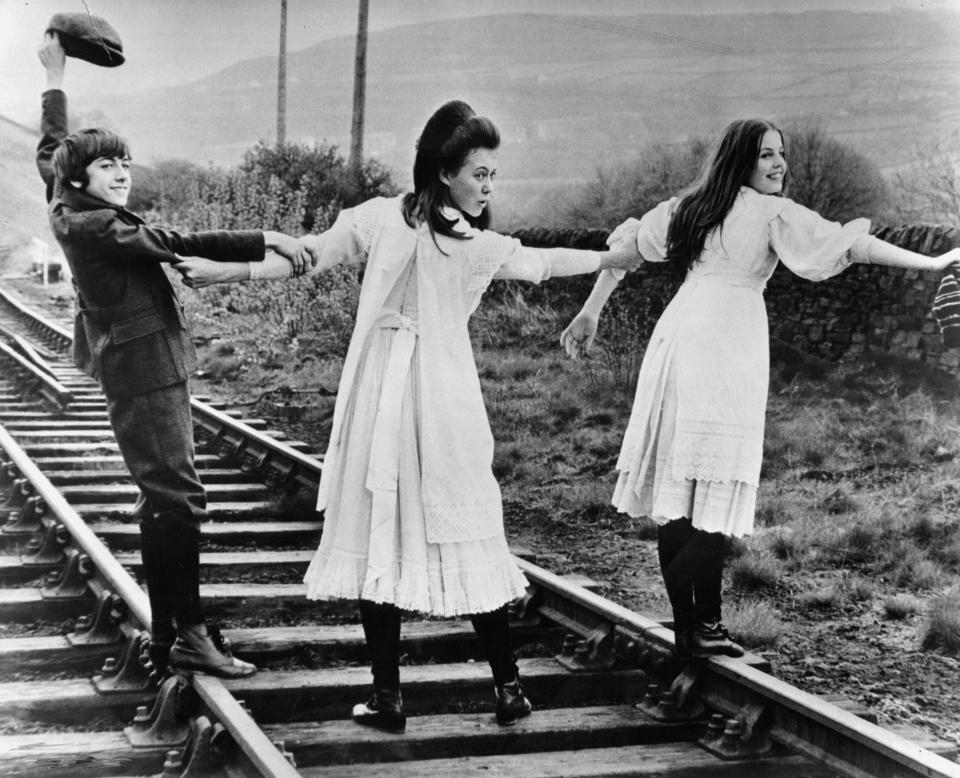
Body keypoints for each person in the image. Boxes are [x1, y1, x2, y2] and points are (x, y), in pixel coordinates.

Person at [175, 99, 642, 730]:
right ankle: (499, 688)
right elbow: (305, 255)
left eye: (492, 174)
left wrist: (614, 258)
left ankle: (402, 696)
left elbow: (547, 259)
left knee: (388, 528)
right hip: (426, 395)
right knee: (461, 523)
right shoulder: (425, 231)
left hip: (394, 395)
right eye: (480, 172)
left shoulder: (444, 234)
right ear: (445, 172)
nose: (489, 185)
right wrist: (226, 269)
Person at [560, 118, 960, 663]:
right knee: (713, 481)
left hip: (678, 339)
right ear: (741, 161)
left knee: (685, 491)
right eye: (767, 155)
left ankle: (694, 627)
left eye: (781, 154)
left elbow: (623, 253)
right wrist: (934, 261)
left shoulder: (688, 207)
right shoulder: (769, 213)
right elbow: (854, 245)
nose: (779, 165)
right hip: (724, 347)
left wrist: (590, 312)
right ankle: (702, 626)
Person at [36, 32, 315, 679]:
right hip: (144, 368)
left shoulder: (64, 195)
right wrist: (269, 235)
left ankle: (171, 632)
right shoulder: (98, 224)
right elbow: (179, 238)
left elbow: (52, 147)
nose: (123, 173)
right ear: (82, 179)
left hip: (138, 362)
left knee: (162, 496)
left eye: (126, 162)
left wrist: (54, 77)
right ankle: (187, 637)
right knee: (178, 498)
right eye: (109, 167)